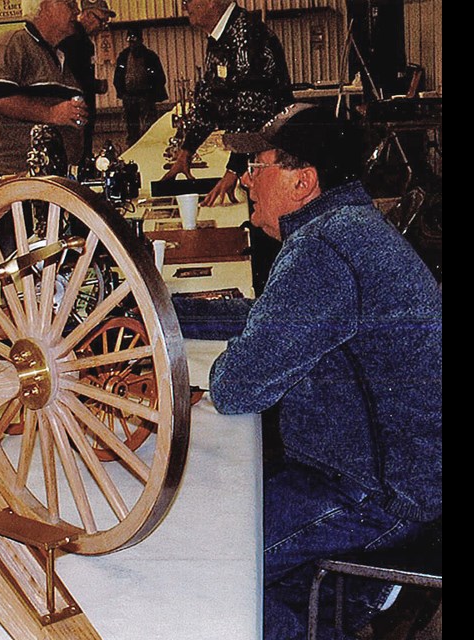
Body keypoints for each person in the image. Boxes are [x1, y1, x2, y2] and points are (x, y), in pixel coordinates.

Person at [172, 103, 441, 639]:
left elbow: (236, 386)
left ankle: (349, 597)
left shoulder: (321, 251)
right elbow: (271, 317)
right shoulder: (347, 226)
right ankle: (342, 600)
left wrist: (229, 360)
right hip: (389, 466)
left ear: (303, 181)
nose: (247, 179)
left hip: (376, 491)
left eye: (259, 165)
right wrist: (165, 312)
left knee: (206, 563)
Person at [162, 0, 293, 294]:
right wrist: (186, 152)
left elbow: (254, 110)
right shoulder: (221, 37)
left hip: (269, 161)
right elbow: (209, 101)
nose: (184, 6)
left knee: (265, 250)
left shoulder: (247, 35)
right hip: (252, 158)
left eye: (189, 0)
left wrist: (234, 170)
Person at [0, 0, 88, 183]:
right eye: (69, 3)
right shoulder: (10, 45)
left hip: (47, 178)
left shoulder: (61, 56)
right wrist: (52, 113)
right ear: (45, 6)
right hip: (6, 177)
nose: (77, 11)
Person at [58, 0, 115, 164]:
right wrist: (95, 85)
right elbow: (75, 77)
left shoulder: (84, 41)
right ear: (89, 15)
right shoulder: (75, 41)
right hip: (76, 109)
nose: (102, 26)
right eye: (101, 20)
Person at [113, 27, 168, 146]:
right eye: (130, 41)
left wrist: (152, 94)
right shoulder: (123, 56)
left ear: (141, 40)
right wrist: (122, 93)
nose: (132, 44)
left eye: (134, 41)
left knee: (149, 127)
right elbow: (118, 76)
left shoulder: (150, 57)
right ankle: (133, 146)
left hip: (146, 97)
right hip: (129, 97)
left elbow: (160, 77)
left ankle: (151, 146)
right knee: (132, 129)